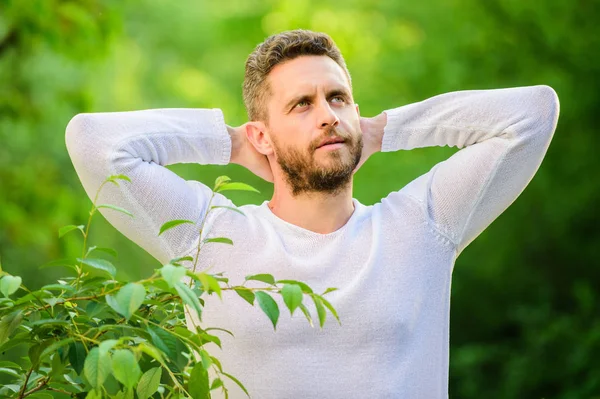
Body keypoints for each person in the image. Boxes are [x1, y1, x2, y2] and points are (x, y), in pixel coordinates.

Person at [65, 29, 560, 398]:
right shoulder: (210, 237)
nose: (328, 115)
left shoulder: (424, 225)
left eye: (337, 98)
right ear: (263, 135)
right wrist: (234, 142)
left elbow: (533, 113)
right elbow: (93, 142)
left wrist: (384, 130)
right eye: (302, 104)